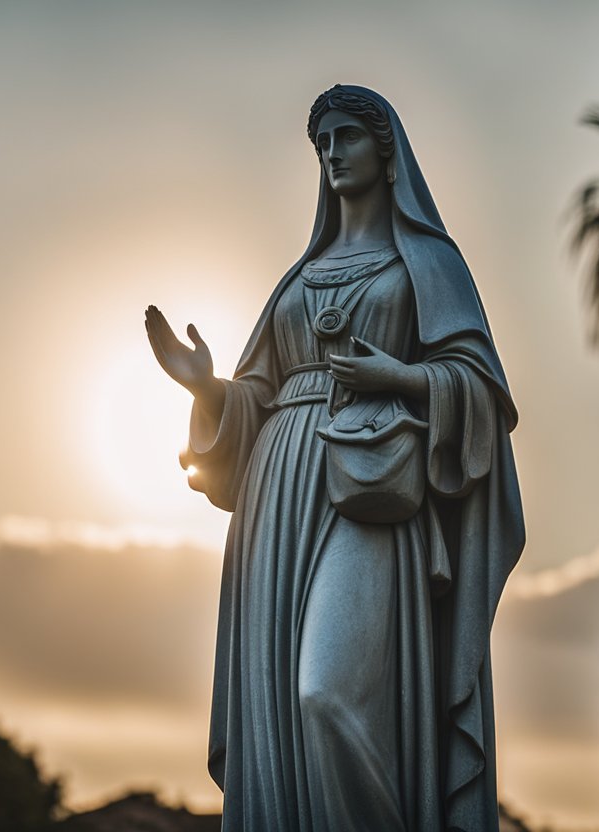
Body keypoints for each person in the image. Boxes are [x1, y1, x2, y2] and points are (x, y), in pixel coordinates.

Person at [144, 84, 524, 832]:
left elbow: (481, 392)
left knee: (328, 695)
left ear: (387, 152)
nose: (332, 154)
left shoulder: (428, 262)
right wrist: (210, 389)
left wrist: (401, 378)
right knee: (279, 712)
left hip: (371, 487)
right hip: (278, 497)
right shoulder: (299, 275)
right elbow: (260, 396)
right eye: (322, 144)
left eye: (346, 137)